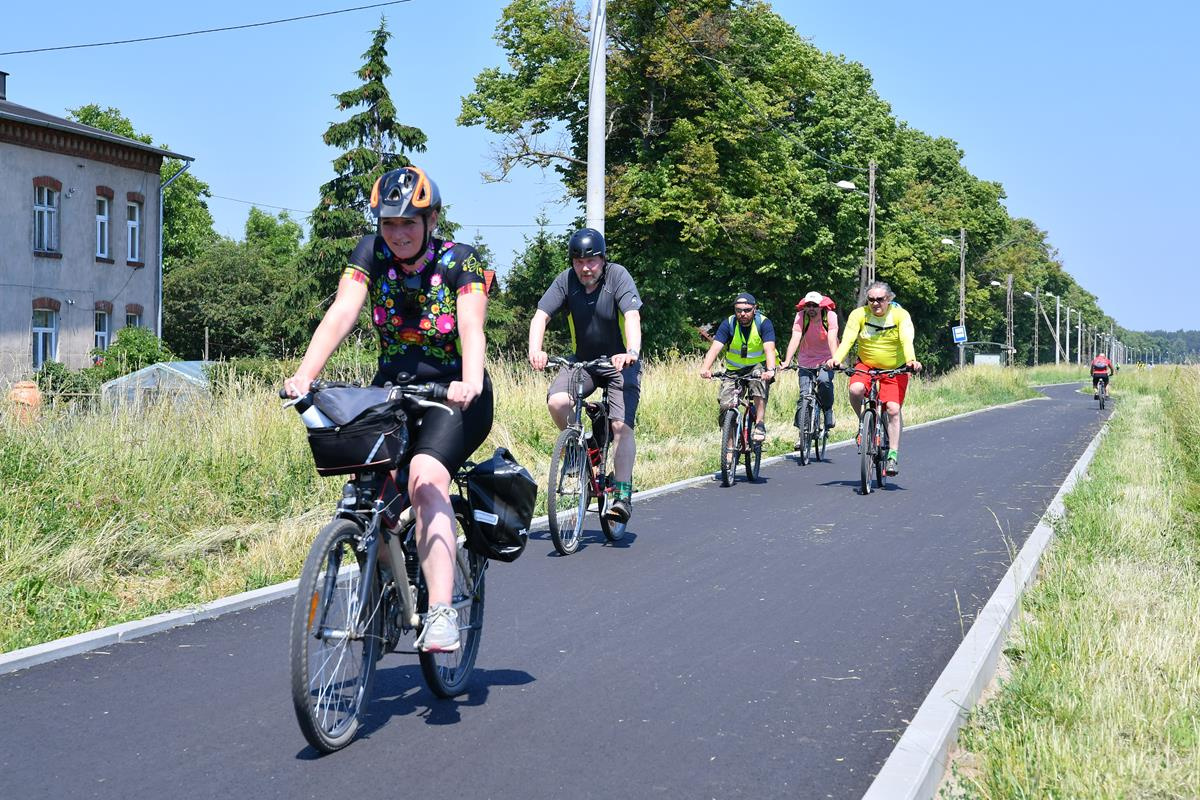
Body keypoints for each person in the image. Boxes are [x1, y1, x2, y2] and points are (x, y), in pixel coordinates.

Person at [285, 166, 492, 653]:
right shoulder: (371, 253)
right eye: (388, 223)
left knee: (424, 479)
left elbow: (471, 327)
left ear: (432, 219)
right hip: (393, 392)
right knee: (368, 495)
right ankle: (384, 596)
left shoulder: (461, 260)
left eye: (408, 223)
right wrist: (305, 375)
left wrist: (469, 380)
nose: (397, 234)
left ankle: (440, 612)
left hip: (453, 395)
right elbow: (342, 311)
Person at [528, 227, 643, 524]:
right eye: (578, 262)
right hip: (584, 362)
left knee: (620, 426)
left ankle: (622, 495)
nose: (585, 268)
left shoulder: (618, 276)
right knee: (557, 402)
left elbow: (632, 316)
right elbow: (541, 316)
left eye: (591, 261)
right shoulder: (566, 281)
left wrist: (631, 351)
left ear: (603, 259)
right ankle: (583, 449)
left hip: (620, 363)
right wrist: (535, 350)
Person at [827, 281, 922, 476]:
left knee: (893, 410)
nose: (875, 303)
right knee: (855, 390)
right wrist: (836, 359)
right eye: (871, 299)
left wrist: (911, 361)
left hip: (895, 368)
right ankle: (864, 423)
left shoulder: (900, 315)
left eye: (880, 299)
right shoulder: (859, 314)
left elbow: (906, 339)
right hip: (866, 364)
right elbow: (848, 340)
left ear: (889, 299)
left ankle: (892, 455)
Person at [699, 292, 778, 442]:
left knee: (759, 384)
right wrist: (705, 368)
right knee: (725, 405)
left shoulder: (763, 323)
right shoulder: (729, 324)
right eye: (738, 310)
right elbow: (715, 348)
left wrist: (770, 370)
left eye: (747, 310)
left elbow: (769, 349)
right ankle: (729, 447)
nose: (742, 314)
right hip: (734, 370)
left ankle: (759, 423)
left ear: (755, 309)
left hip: (757, 367)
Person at [780, 290, 840, 449]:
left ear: (821, 306)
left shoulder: (830, 316)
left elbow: (832, 338)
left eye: (815, 305)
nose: (811, 308)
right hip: (806, 359)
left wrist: (835, 359)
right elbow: (795, 337)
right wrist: (787, 361)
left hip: (827, 357)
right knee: (804, 395)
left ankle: (827, 410)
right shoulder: (801, 316)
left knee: (824, 381)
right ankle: (802, 434)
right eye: (808, 305)